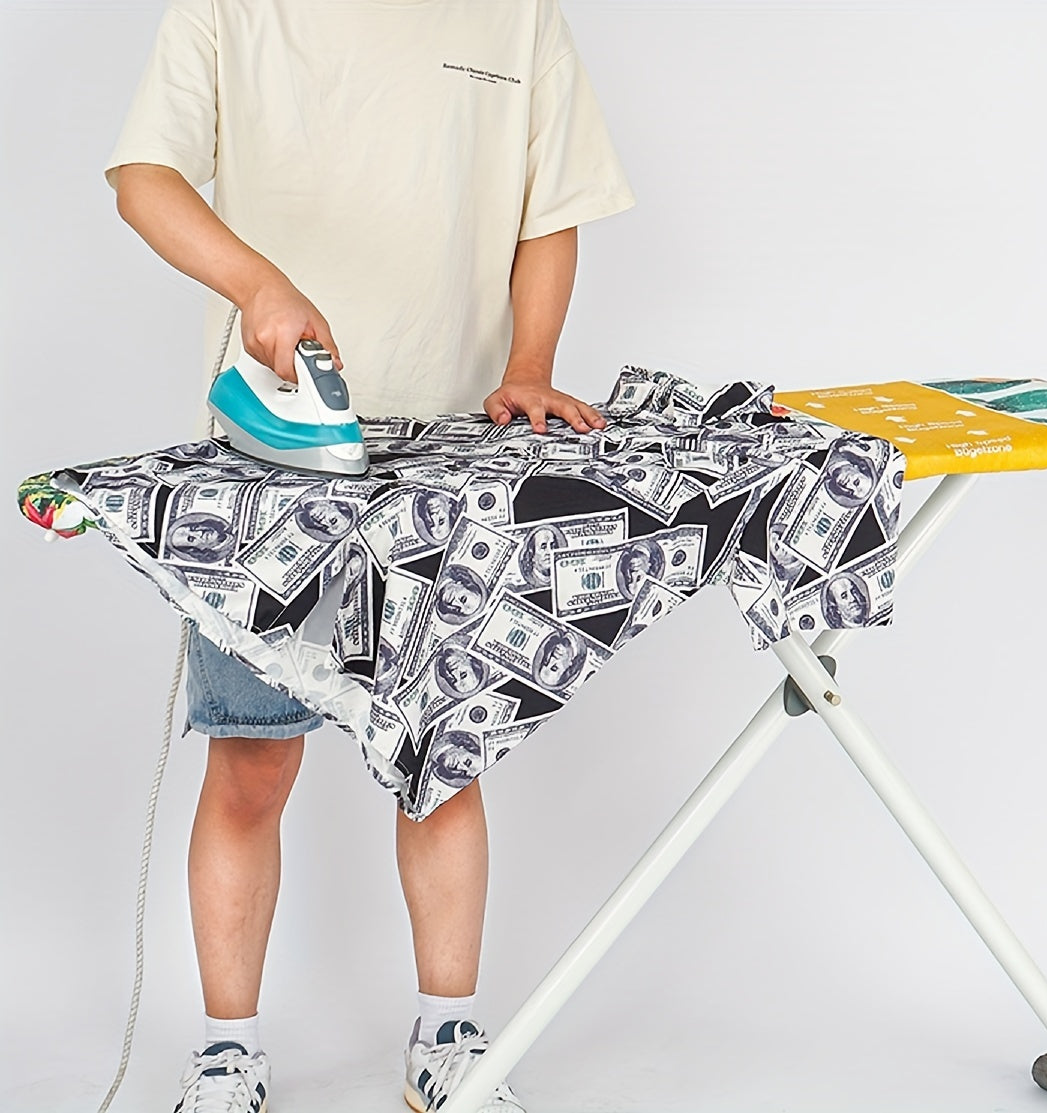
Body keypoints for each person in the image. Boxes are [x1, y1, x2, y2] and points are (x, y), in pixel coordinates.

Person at [105, 2, 634, 1111]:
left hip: (450, 454)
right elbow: (144, 177)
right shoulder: (228, 11)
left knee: (444, 757)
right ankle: (227, 1050)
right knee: (252, 760)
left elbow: (551, 210)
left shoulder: (517, 16)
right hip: (272, 472)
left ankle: (448, 1035)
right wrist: (257, 284)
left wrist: (530, 363)